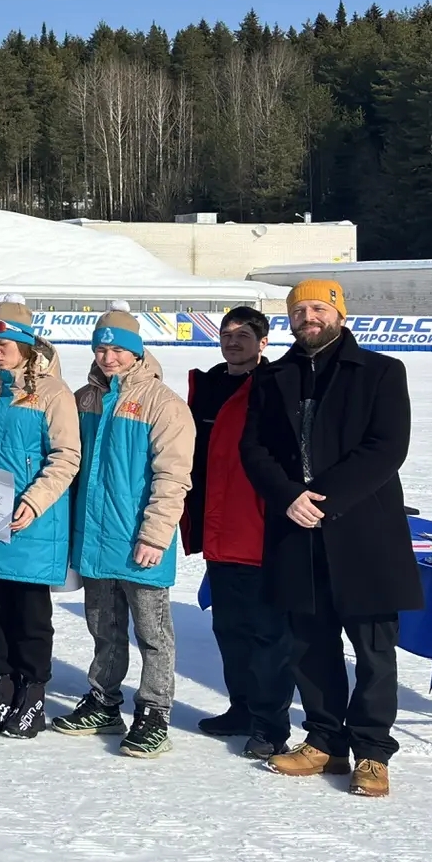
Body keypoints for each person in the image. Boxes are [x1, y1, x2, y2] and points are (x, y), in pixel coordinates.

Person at [241, 279, 418, 799]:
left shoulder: (382, 371)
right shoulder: (274, 377)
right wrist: (288, 496)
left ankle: (370, 751)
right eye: (299, 311)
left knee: (373, 650)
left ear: (339, 313)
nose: (308, 318)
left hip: (364, 532)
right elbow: (254, 450)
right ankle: (324, 741)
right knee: (309, 644)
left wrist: (324, 498)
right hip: (297, 529)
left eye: (319, 308)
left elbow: (386, 448)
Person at [52, 312, 194, 758]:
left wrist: (155, 534)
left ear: (136, 352)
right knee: (103, 627)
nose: (108, 357)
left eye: (117, 349)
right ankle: (103, 700)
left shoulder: (163, 403)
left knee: (152, 631)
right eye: (101, 349)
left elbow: (173, 477)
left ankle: (154, 710)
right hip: (94, 537)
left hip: (139, 540)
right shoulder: (85, 399)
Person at [0, 313, 81, 739]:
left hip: (31, 521)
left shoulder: (52, 392)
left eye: (1, 345)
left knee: (30, 615)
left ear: (25, 344)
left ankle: (33, 692)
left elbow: (65, 457)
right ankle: (2, 684)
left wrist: (34, 501)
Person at [184, 306, 294, 760]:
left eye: (244, 334)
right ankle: (242, 708)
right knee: (229, 628)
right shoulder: (207, 387)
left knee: (268, 634)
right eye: (227, 334)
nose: (233, 341)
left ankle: (271, 725)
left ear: (263, 342)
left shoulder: (276, 386)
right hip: (219, 531)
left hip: (260, 530)